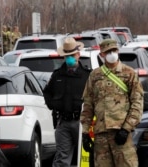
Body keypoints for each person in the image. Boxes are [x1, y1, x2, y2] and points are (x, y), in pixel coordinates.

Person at [80, 39, 144, 167]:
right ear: (102, 54)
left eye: (114, 50)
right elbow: (88, 105)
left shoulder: (129, 73)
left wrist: (126, 129)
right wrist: (85, 132)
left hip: (121, 134)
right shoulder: (95, 76)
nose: (112, 54)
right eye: (108, 51)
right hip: (101, 135)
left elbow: (137, 103)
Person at [43, 37, 91, 167]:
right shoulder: (57, 75)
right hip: (63, 123)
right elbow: (47, 92)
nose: (70, 58)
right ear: (63, 57)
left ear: (78, 55)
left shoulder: (88, 75)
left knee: (87, 157)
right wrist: (52, 104)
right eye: (67, 56)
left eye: (72, 55)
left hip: (82, 123)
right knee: (61, 159)